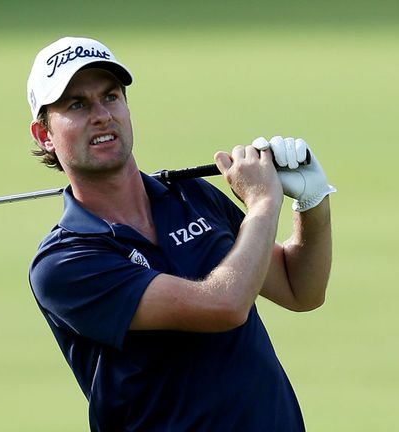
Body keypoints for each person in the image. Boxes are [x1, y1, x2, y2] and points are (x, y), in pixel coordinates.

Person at [26, 36, 335, 431]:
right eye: (77, 104)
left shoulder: (192, 197)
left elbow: (300, 290)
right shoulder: (64, 263)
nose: (102, 114)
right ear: (44, 135)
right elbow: (223, 306)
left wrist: (311, 202)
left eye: (111, 96)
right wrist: (261, 203)